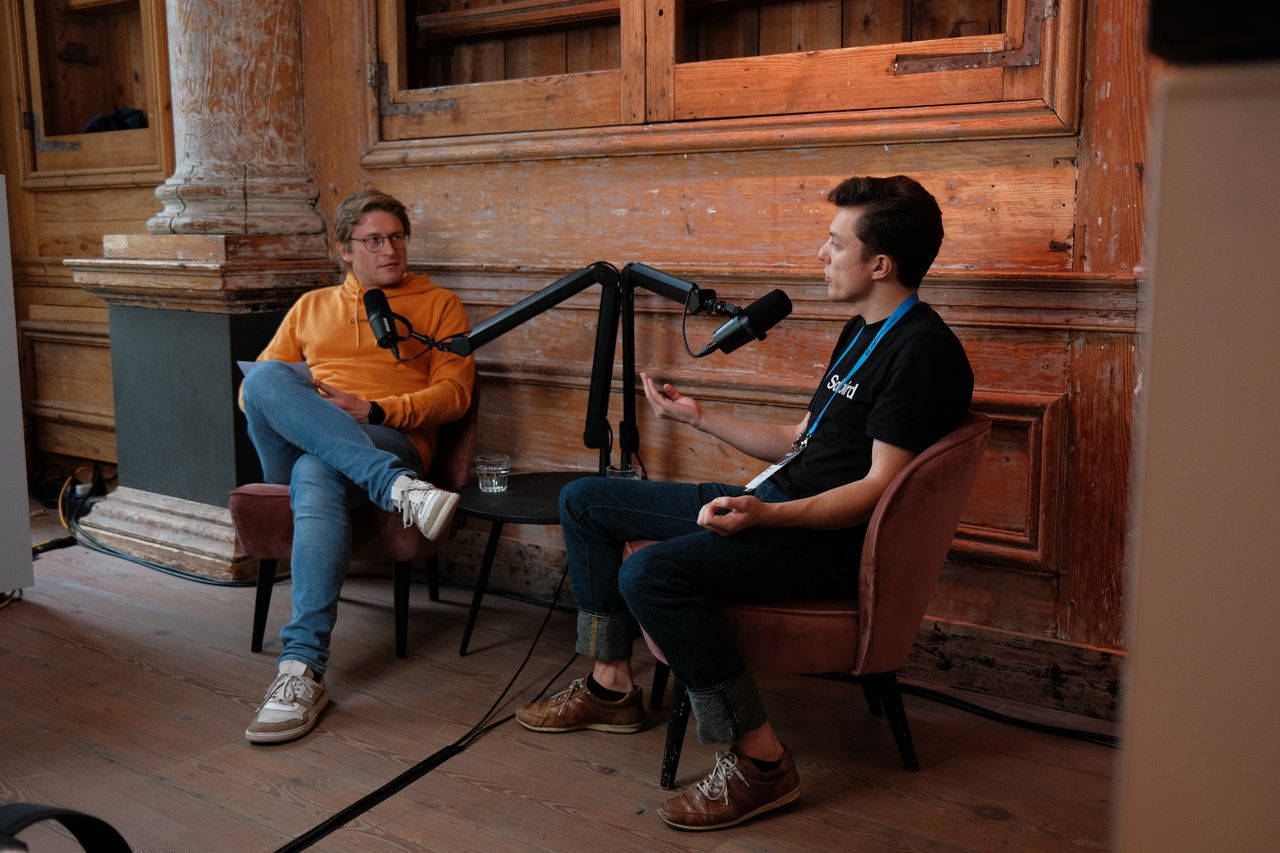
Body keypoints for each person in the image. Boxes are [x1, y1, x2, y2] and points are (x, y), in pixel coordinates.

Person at [515, 175, 974, 830]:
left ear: (880, 263)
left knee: (648, 572)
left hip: (826, 544)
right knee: (584, 499)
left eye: (835, 242)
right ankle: (612, 686)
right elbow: (800, 440)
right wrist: (698, 417)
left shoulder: (922, 352)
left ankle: (761, 762)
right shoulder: (861, 329)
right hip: (777, 504)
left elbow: (876, 492)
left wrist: (767, 516)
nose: (821, 254)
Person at [240, 189, 475, 744]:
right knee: (265, 379)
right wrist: (313, 416)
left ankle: (299, 670)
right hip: (307, 444)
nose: (390, 249)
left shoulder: (439, 305)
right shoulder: (311, 306)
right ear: (345, 249)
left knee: (317, 473)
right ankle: (399, 491)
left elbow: (455, 395)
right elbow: (256, 398)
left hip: (389, 437)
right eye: (374, 240)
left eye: (397, 237)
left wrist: (373, 409)